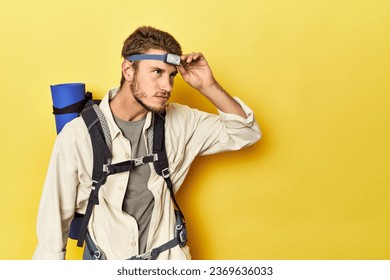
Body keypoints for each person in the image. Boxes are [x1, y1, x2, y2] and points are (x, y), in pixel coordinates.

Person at [33, 26, 261, 260]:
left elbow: (246, 133)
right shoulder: (77, 136)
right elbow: (52, 228)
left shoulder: (180, 121)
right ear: (128, 70)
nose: (168, 86)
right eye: (157, 72)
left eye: (172, 75)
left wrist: (208, 86)